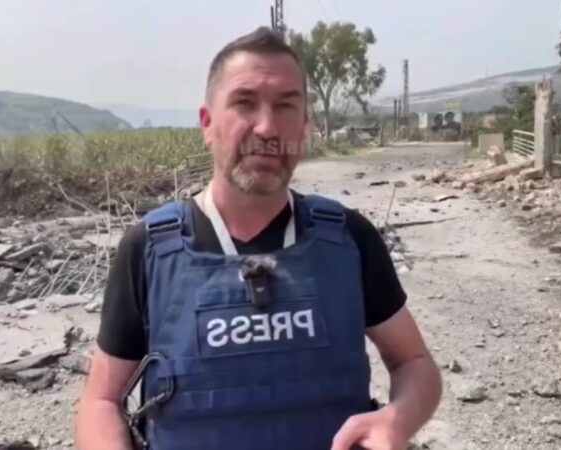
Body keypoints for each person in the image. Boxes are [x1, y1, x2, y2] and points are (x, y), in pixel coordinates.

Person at [74, 26, 442, 450]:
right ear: (207, 124)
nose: (267, 127)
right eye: (244, 103)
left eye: (286, 106)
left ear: (304, 125)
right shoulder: (150, 250)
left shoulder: (349, 239)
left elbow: (414, 363)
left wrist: (396, 421)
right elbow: (100, 401)